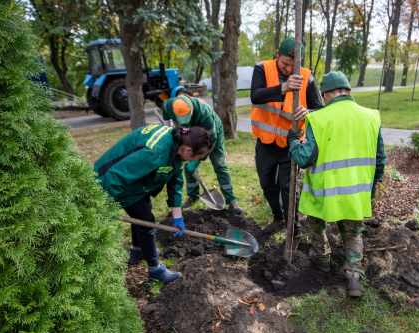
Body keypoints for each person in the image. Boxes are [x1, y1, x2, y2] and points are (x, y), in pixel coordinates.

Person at [288, 71, 386, 298]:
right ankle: (353, 276)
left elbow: (305, 158)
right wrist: (373, 187)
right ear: (348, 91)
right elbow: (380, 159)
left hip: (324, 192)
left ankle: (322, 263)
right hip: (356, 191)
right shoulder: (371, 116)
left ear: (325, 94)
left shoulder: (318, 118)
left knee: (316, 227)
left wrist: (293, 141)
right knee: (353, 233)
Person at [95, 125, 212, 284]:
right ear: (188, 150)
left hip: (137, 181)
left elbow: (175, 180)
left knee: (143, 212)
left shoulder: (177, 145)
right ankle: (155, 269)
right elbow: (115, 177)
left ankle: (138, 251)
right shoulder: (155, 152)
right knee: (147, 221)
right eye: (196, 157)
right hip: (112, 181)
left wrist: (177, 216)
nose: (195, 161)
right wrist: (102, 205)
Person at [250, 37, 323, 232]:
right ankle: (277, 217)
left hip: (290, 144)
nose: (289, 69)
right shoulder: (262, 69)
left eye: (293, 65)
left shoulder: (307, 77)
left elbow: (320, 110)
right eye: (285, 63)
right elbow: (255, 96)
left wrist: (309, 113)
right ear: (277, 56)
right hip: (265, 143)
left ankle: (294, 226)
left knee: (288, 188)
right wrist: (284, 87)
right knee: (266, 183)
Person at [163, 94, 243, 215]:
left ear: (192, 110)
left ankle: (231, 200)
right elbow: (167, 122)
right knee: (188, 168)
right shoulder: (169, 105)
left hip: (210, 135)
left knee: (219, 165)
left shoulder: (204, 114)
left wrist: (197, 159)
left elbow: (211, 141)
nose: (185, 122)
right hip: (189, 134)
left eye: (187, 118)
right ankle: (193, 196)